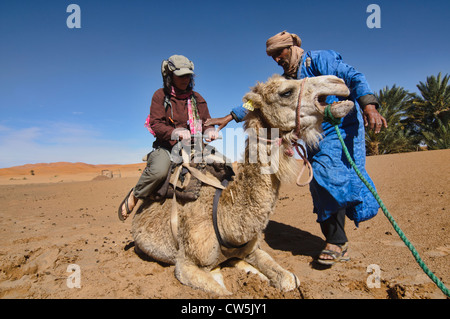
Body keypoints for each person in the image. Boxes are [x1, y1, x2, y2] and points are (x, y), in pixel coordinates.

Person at [205, 31, 387, 265]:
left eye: (278, 53)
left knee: (327, 175)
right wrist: (230, 117)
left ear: (291, 48)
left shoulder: (319, 60)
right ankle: (335, 238)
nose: (276, 59)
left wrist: (369, 105)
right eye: (271, 56)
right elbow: (257, 101)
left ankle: (336, 242)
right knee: (320, 184)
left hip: (339, 127)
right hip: (313, 132)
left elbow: (353, 76)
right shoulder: (285, 80)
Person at [118, 54, 218, 221]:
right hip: (167, 146)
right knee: (158, 172)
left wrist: (209, 131)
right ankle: (136, 194)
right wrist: (175, 132)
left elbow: (206, 121)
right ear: (169, 76)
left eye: (188, 75)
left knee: (222, 167)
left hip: (195, 146)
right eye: (180, 76)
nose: (185, 79)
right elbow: (156, 124)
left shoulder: (197, 99)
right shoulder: (160, 96)